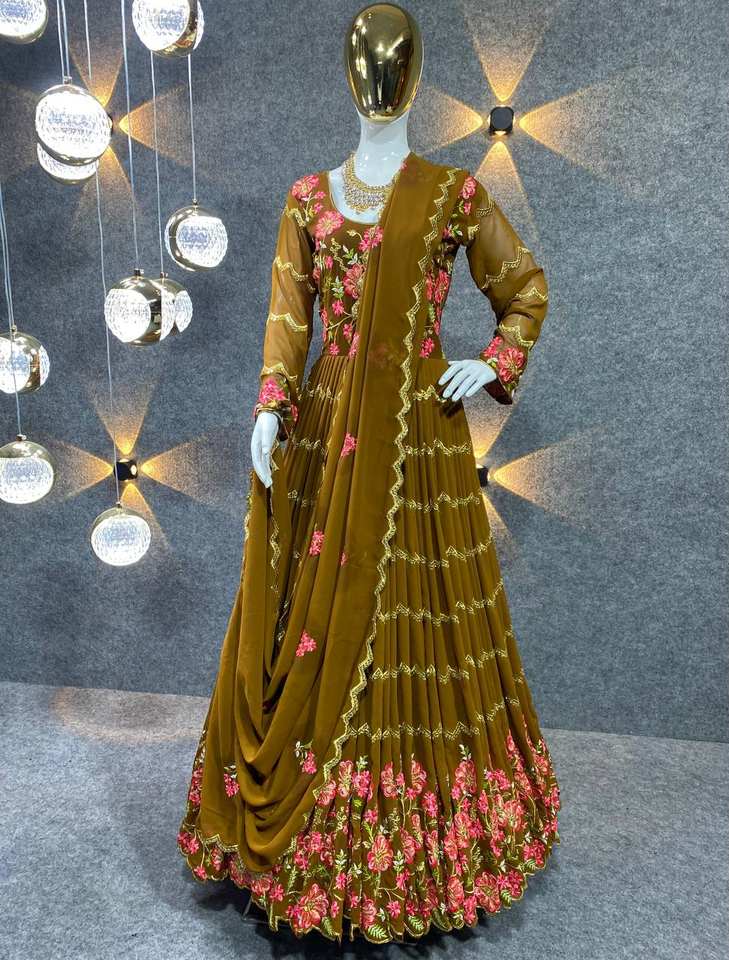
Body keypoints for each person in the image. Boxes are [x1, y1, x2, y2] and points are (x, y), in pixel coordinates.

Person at [177, 2, 561, 944]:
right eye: (365, 62)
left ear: (414, 76)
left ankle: (417, 838)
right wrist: (271, 406)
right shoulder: (307, 200)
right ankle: (306, 821)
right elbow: (288, 319)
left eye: (393, 63)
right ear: (347, 76)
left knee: (413, 615)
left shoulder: (452, 195)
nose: (378, 78)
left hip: (417, 442)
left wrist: (491, 362)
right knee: (315, 612)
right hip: (325, 437)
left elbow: (522, 288)